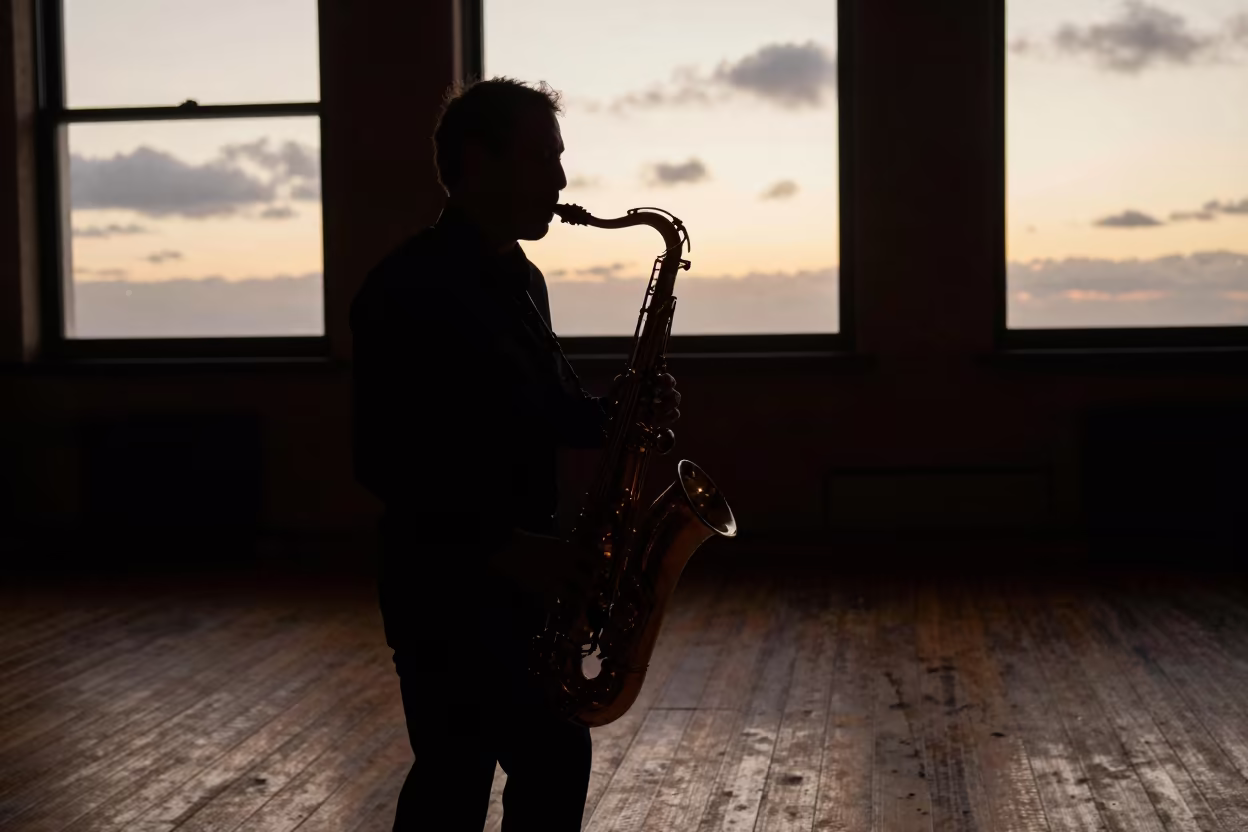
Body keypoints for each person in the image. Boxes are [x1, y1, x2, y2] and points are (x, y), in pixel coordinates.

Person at [349, 78, 681, 831]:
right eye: (543, 158)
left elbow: (551, 410)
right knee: (452, 780)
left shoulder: (522, 279)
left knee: (554, 763)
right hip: (447, 584)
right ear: (478, 161)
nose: (563, 182)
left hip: (529, 583)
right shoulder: (404, 290)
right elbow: (384, 462)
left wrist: (619, 415)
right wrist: (505, 548)